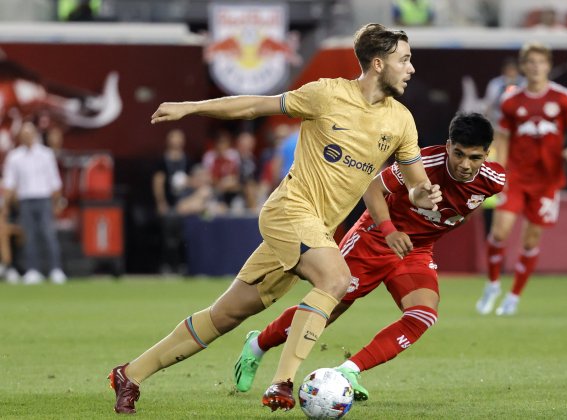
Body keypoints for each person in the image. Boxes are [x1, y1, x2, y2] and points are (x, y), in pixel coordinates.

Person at [109, 23, 442, 414]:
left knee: (227, 314)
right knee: (336, 278)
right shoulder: (326, 94)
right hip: (289, 211)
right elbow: (255, 105)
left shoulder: (401, 120)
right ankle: (282, 383)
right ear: (378, 63)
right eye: (405, 59)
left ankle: (129, 374)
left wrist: (425, 194)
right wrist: (191, 107)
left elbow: (416, 182)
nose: (411, 68)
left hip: (316, 229)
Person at [232, 112, 504, 399]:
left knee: (423, 313)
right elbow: (373, 187)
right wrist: (388, 230)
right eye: (458, 154)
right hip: (375, 238)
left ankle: (348, 371)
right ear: (448, 146)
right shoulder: (423, 164)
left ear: (487, 153)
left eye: (474, 157)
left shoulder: (493, 181)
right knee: (330, 308)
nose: (464, 164)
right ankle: (257, 345)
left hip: (415, 250)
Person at [475, 42, 567, 316]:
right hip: (516, 177)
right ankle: (492, 284)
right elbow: (502, 139)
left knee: (530, 241)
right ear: (524, 67)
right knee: (499, 232)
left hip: (547, 181)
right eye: (531, 63)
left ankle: (513, 296)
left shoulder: (563, 97)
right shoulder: (511, 100)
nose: (536, 68)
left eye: (541, 63)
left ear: (548, 66)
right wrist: (498, 173)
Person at [1, 121, 67, 285]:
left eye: (29, 134)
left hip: (44, 198)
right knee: (29, 237)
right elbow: (9, 183)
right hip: (25, 200)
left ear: (35, 135)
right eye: (24, 134)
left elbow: (54, 181)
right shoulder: (15, 157)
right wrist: (5, 205)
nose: (27, 137)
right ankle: (33, 270)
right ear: (20, 137)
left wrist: (57, 202)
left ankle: (55, 269)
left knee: (48, 234)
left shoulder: (46, 154)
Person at [152, 128, 192, 275]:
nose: (177, 141)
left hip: (185, 204)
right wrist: (161, 203)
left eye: (179, 138)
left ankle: (183, 264)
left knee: (183, 235)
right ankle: (168, 264)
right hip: (169, 205)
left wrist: (188, 182)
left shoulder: (187, 159)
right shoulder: (162, 161)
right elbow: (158, 182)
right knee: (169, 235)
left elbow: (194, 179)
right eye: (174, 138)